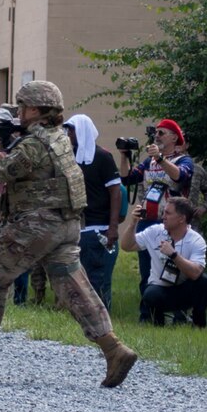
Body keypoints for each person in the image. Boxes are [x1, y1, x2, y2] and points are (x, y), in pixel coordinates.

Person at [0, 80, 137, 386]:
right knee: (76, 289)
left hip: (37, 225)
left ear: (35, 109)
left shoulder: (33, 144)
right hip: (66, 224)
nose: (19, 111)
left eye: (22, 106)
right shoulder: (57, 137)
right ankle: (114, 349)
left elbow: (2, 172)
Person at [122, 119, 194, 288]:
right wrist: (124, 155)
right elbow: (127, 178)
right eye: (156, 133)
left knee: (172, 269)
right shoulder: (149, 162)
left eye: (162, 133)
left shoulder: (184, 160)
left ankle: (177, 311)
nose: (157, 136)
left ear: (174, 138)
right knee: (146, 270)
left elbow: (180, 177)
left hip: (170, 222)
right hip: (147, 220)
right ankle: (148, 311)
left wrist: (160, 159)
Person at [123, 195, 207, 326]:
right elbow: (126, 246)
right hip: (160, 288)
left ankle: (198, 325)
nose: (163, 216)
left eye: (168, 213)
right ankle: (157, 325)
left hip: (184, 289)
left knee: (204, 282)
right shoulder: (155, 231)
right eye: (163, 212)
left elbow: (196, 273)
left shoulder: (196, 240)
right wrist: (133, 223)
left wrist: (174, 255)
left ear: (182, 218)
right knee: (151, 294)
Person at [69, 114, 123, 309]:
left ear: (82, 131)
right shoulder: (69, 158)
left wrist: (113, 227)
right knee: (77, 280)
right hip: (76, 227)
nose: (68, 134)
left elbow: (115, 193)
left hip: (98, 227)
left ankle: (103, 318)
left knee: (99, 279)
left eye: (72, 129)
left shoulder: (102, 157)